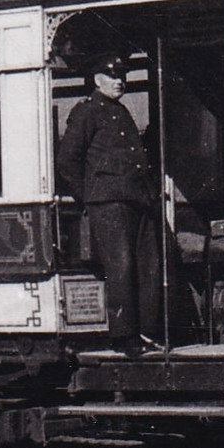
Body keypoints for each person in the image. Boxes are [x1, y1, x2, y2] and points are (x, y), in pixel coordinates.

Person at [55, 53, 164, 357]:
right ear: (97, 80)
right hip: (109, 202)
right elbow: (67, 161)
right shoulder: (87, 112)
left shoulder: (121, 111)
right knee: (121, 267)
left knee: (146, 266)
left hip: (137, 199)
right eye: (113, 76)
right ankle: (124, 337)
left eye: (123, 77)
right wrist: (90, 195)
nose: (120, 81)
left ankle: (144, 332)